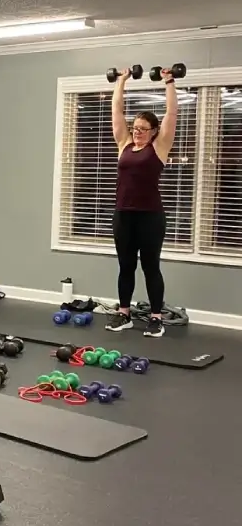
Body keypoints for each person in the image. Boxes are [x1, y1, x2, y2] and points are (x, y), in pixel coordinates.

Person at [106, 65, 180, 338]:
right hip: (123, 214)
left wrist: (169, 81)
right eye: (135, 127)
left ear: (153, 131)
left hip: (150, 216)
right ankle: (123, 313)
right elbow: (116, 111)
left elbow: (172, 114)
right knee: (126, 266)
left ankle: (156, 318)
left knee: (151, 267)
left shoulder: (159, 147)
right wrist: (121, 81)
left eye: (143, 128)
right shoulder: (124, 144)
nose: (137, 132)